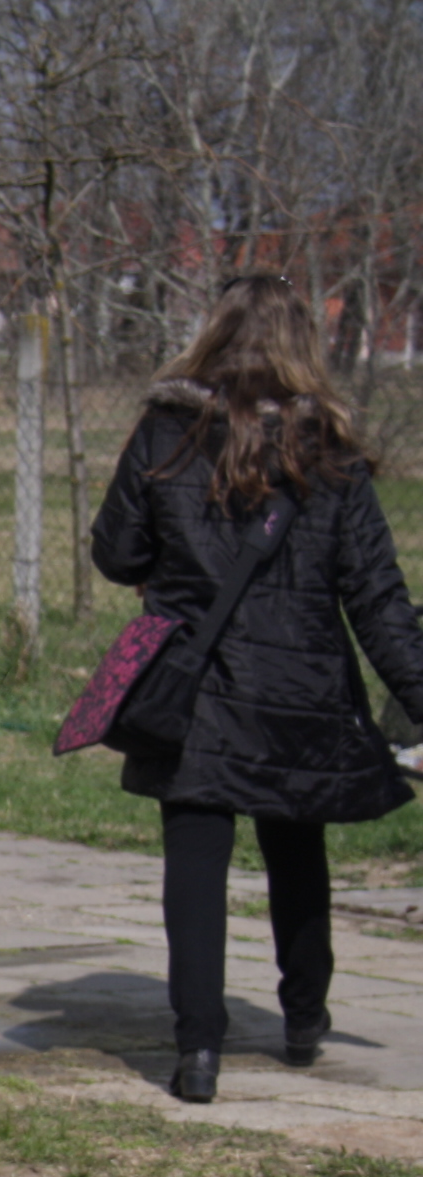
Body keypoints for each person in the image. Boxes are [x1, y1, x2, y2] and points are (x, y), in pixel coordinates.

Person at [90, 275, 423, 1103]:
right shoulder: (329, 454)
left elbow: (117, 553)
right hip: (298, 690)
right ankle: (303, 1018)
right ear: (304, 346)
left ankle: (198, 1049)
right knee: (297, 852)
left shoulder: (166, 433)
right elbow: (377, 598)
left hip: (191, 686)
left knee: (195, 859)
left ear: (213, 334)